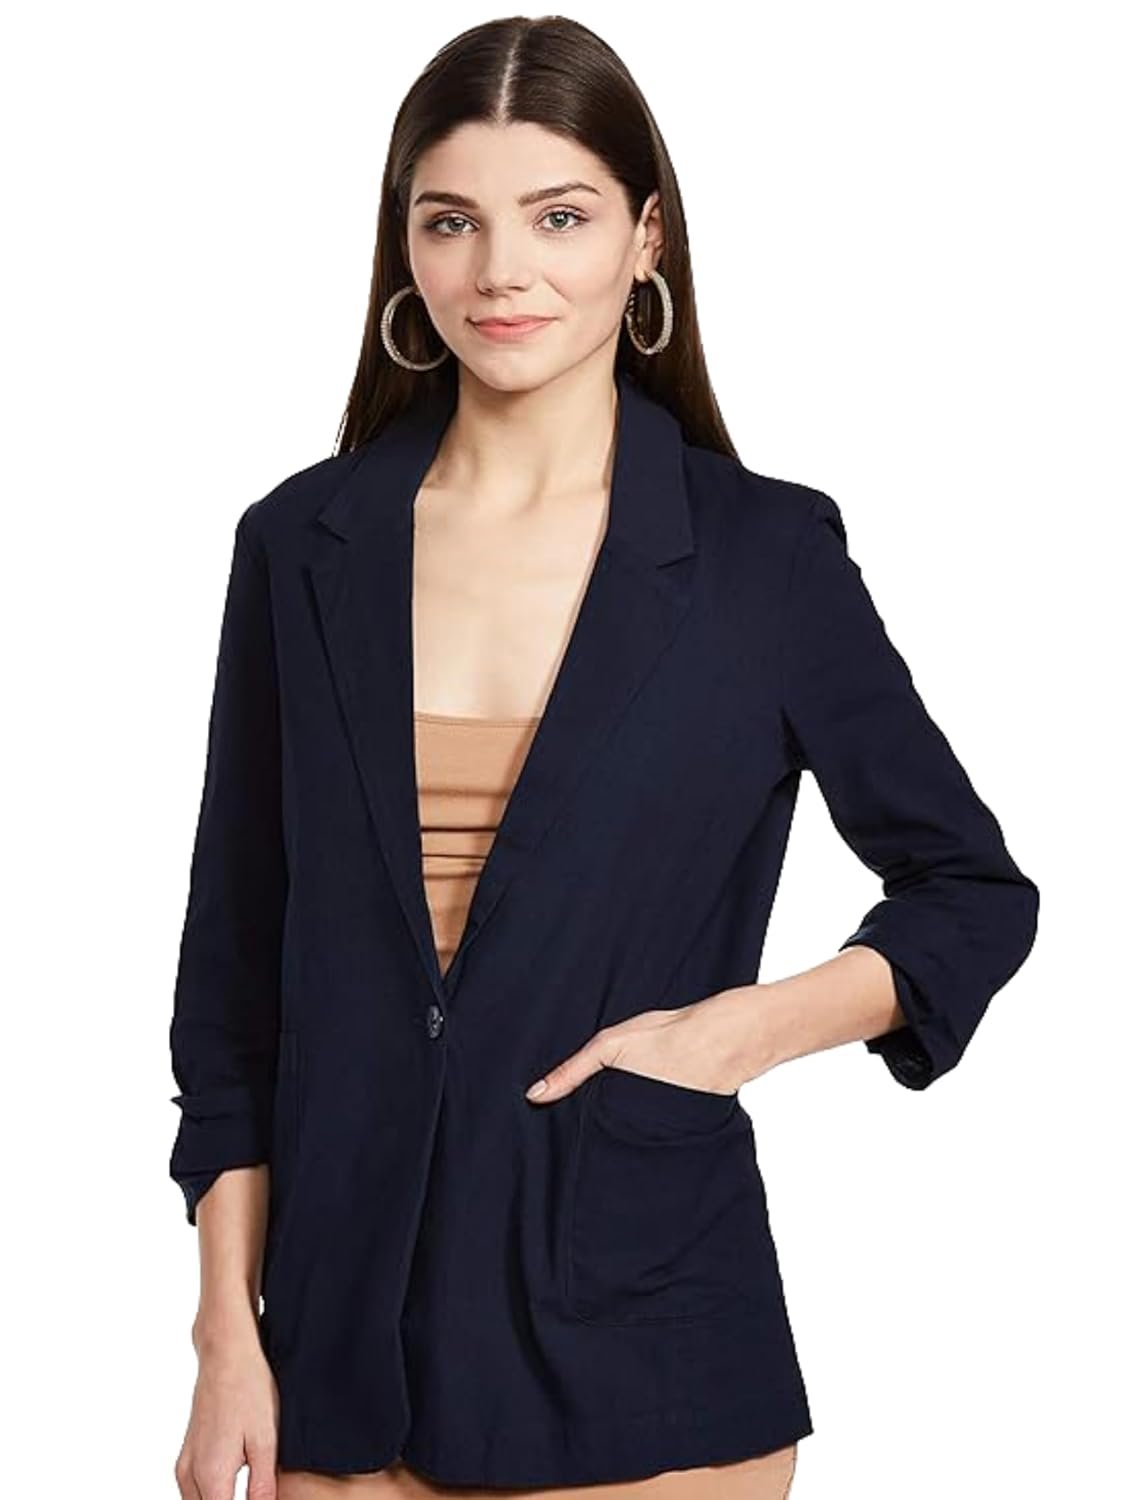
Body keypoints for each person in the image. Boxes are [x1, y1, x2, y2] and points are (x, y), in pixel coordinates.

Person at [169, 16, 1039, 1500]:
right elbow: (232, 984)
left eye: (559, 217)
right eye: (453, 221)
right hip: (332, 1363)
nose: (500, 270)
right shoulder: (301, 545)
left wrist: (734, 1036)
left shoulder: (763, 558)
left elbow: (971, 891)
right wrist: (223, 1339)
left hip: (640, 1358)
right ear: (405, 249)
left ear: (646, 239)